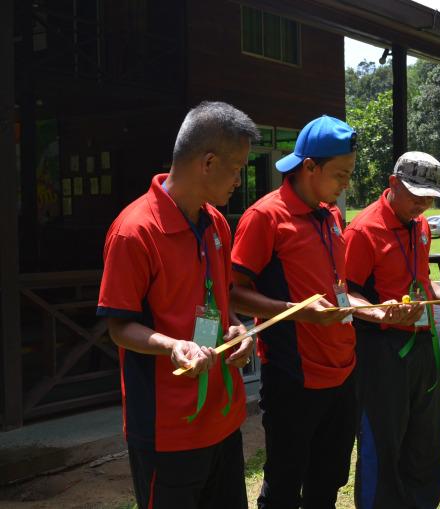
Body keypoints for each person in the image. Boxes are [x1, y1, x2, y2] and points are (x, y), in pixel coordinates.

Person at [97, 101, 258, 509]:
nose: (240, 179)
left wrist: (239, 329)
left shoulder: (216, 223)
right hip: (167, 428)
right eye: (237, 167)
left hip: (222, 418)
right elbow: (119, 326)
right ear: (207, 163)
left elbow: (223, 306)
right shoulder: (134, 232)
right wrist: (172, 345)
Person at [344, 151, 440, 509]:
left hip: (420, 346)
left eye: (430, 198)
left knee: (425, 443)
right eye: (416, 196)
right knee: (383, 443)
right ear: (393, 183)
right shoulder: (363, 230)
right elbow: (344, 294)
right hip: (379, 351)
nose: (423, 205)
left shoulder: (422, 227)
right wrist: (381, 313)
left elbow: (424, 286)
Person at [230, 115, 359, 509]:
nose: (346, 184)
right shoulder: (265, 217)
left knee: (327, 482)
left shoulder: (331, 214)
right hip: (294, 378)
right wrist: (296, 312)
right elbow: (233, 293)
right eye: (340, 174)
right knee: (285, 486)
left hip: (344, 372)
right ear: (309, 167)